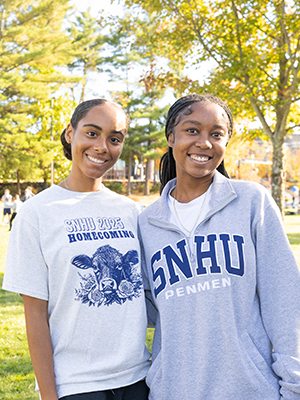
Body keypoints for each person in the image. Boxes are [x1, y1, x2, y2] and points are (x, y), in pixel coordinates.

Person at [138, 94, 300, 400]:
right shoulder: (147, 223)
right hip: (173, 391)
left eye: (216, 134)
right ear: (171, 137)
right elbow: (149, 309)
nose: (204, 143)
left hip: (250, 390)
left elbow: (284, 300)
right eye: (192, 130)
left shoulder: (252, 202)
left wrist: (294, 386)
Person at [3, 99, 150, 400]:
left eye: (114, 139)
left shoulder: (132, 212)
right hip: (77, 385)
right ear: (70, 133)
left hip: (139, 379)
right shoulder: (37, 213)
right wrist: (49, 395)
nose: (102, 147)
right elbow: (35, 315)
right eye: (92, 133)